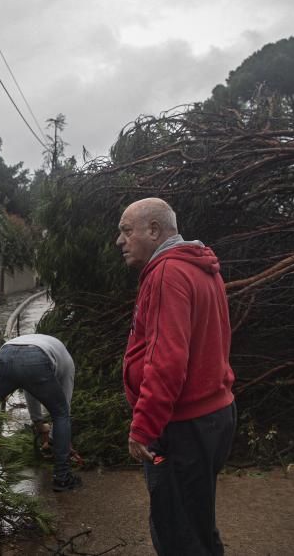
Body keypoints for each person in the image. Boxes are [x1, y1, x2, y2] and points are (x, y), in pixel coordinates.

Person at [116, 197, 236, 555]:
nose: (119, 242)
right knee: (195, 522)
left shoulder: (169, 273)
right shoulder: (198, 268)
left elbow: (167, 362)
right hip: (210, 419)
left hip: (182, 426)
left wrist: (144, 427)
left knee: (177, 534)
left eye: (126, 231)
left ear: (154, 230)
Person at [0, 333, 82, 492]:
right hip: (36, 358)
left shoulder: (49, 346)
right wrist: (56, 440)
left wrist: (39, 423)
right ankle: (62, 477)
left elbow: (30, 387)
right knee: (61, 413)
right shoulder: (68, 364)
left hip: (5, 355)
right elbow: (64, 410)